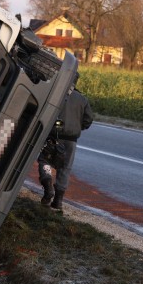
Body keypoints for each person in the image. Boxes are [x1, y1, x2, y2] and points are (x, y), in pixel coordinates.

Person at [38, 72, 93, 210]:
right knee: (65, 168)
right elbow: (88, 120)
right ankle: (58, 201)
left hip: (52, 136)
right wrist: (76, 126)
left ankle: (48, 188)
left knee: (45, 160)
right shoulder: (82, 99)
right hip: (71, 140)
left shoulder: (56, 93)